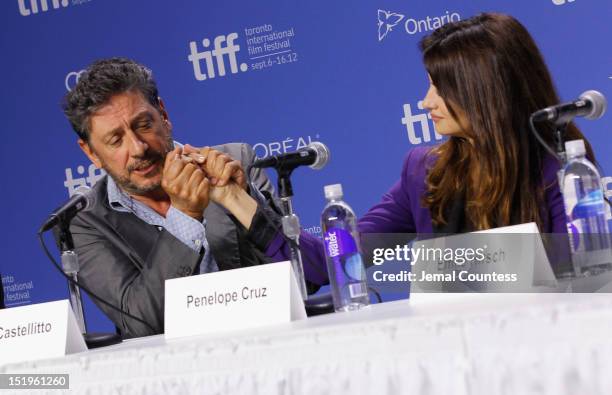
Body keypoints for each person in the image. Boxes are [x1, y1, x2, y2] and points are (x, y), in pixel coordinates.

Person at [61, 58, 328, 338]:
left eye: (143, 125)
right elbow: (142, 322)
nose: (138, 148)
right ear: (90, 152)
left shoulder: (234, 162)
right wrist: (184, 217)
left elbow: (307, 278)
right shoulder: (83, 222)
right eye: (116, 140)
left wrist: (239, 200)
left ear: (163, 114)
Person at [358, 12, 595, 235]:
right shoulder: (425, 170)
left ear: (487, 91)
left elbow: (584, 267)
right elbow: (354, 244)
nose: (426, 102)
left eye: (440, 89)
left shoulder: (562, 168)